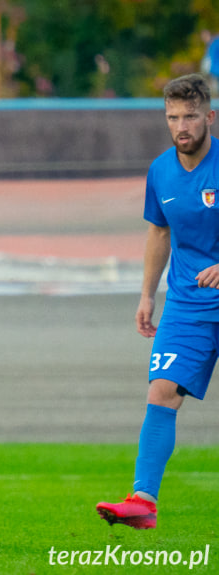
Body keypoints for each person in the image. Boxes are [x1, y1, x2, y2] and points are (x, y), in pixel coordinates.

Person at [96, 73, 219, 529]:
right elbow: (159, 231)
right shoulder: (161, 170)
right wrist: (147, 294)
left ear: (209, 117)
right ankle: (143, 501)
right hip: (187, 305)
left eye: (190, 116)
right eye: (172, 117)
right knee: (161, 391)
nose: (181, 126)